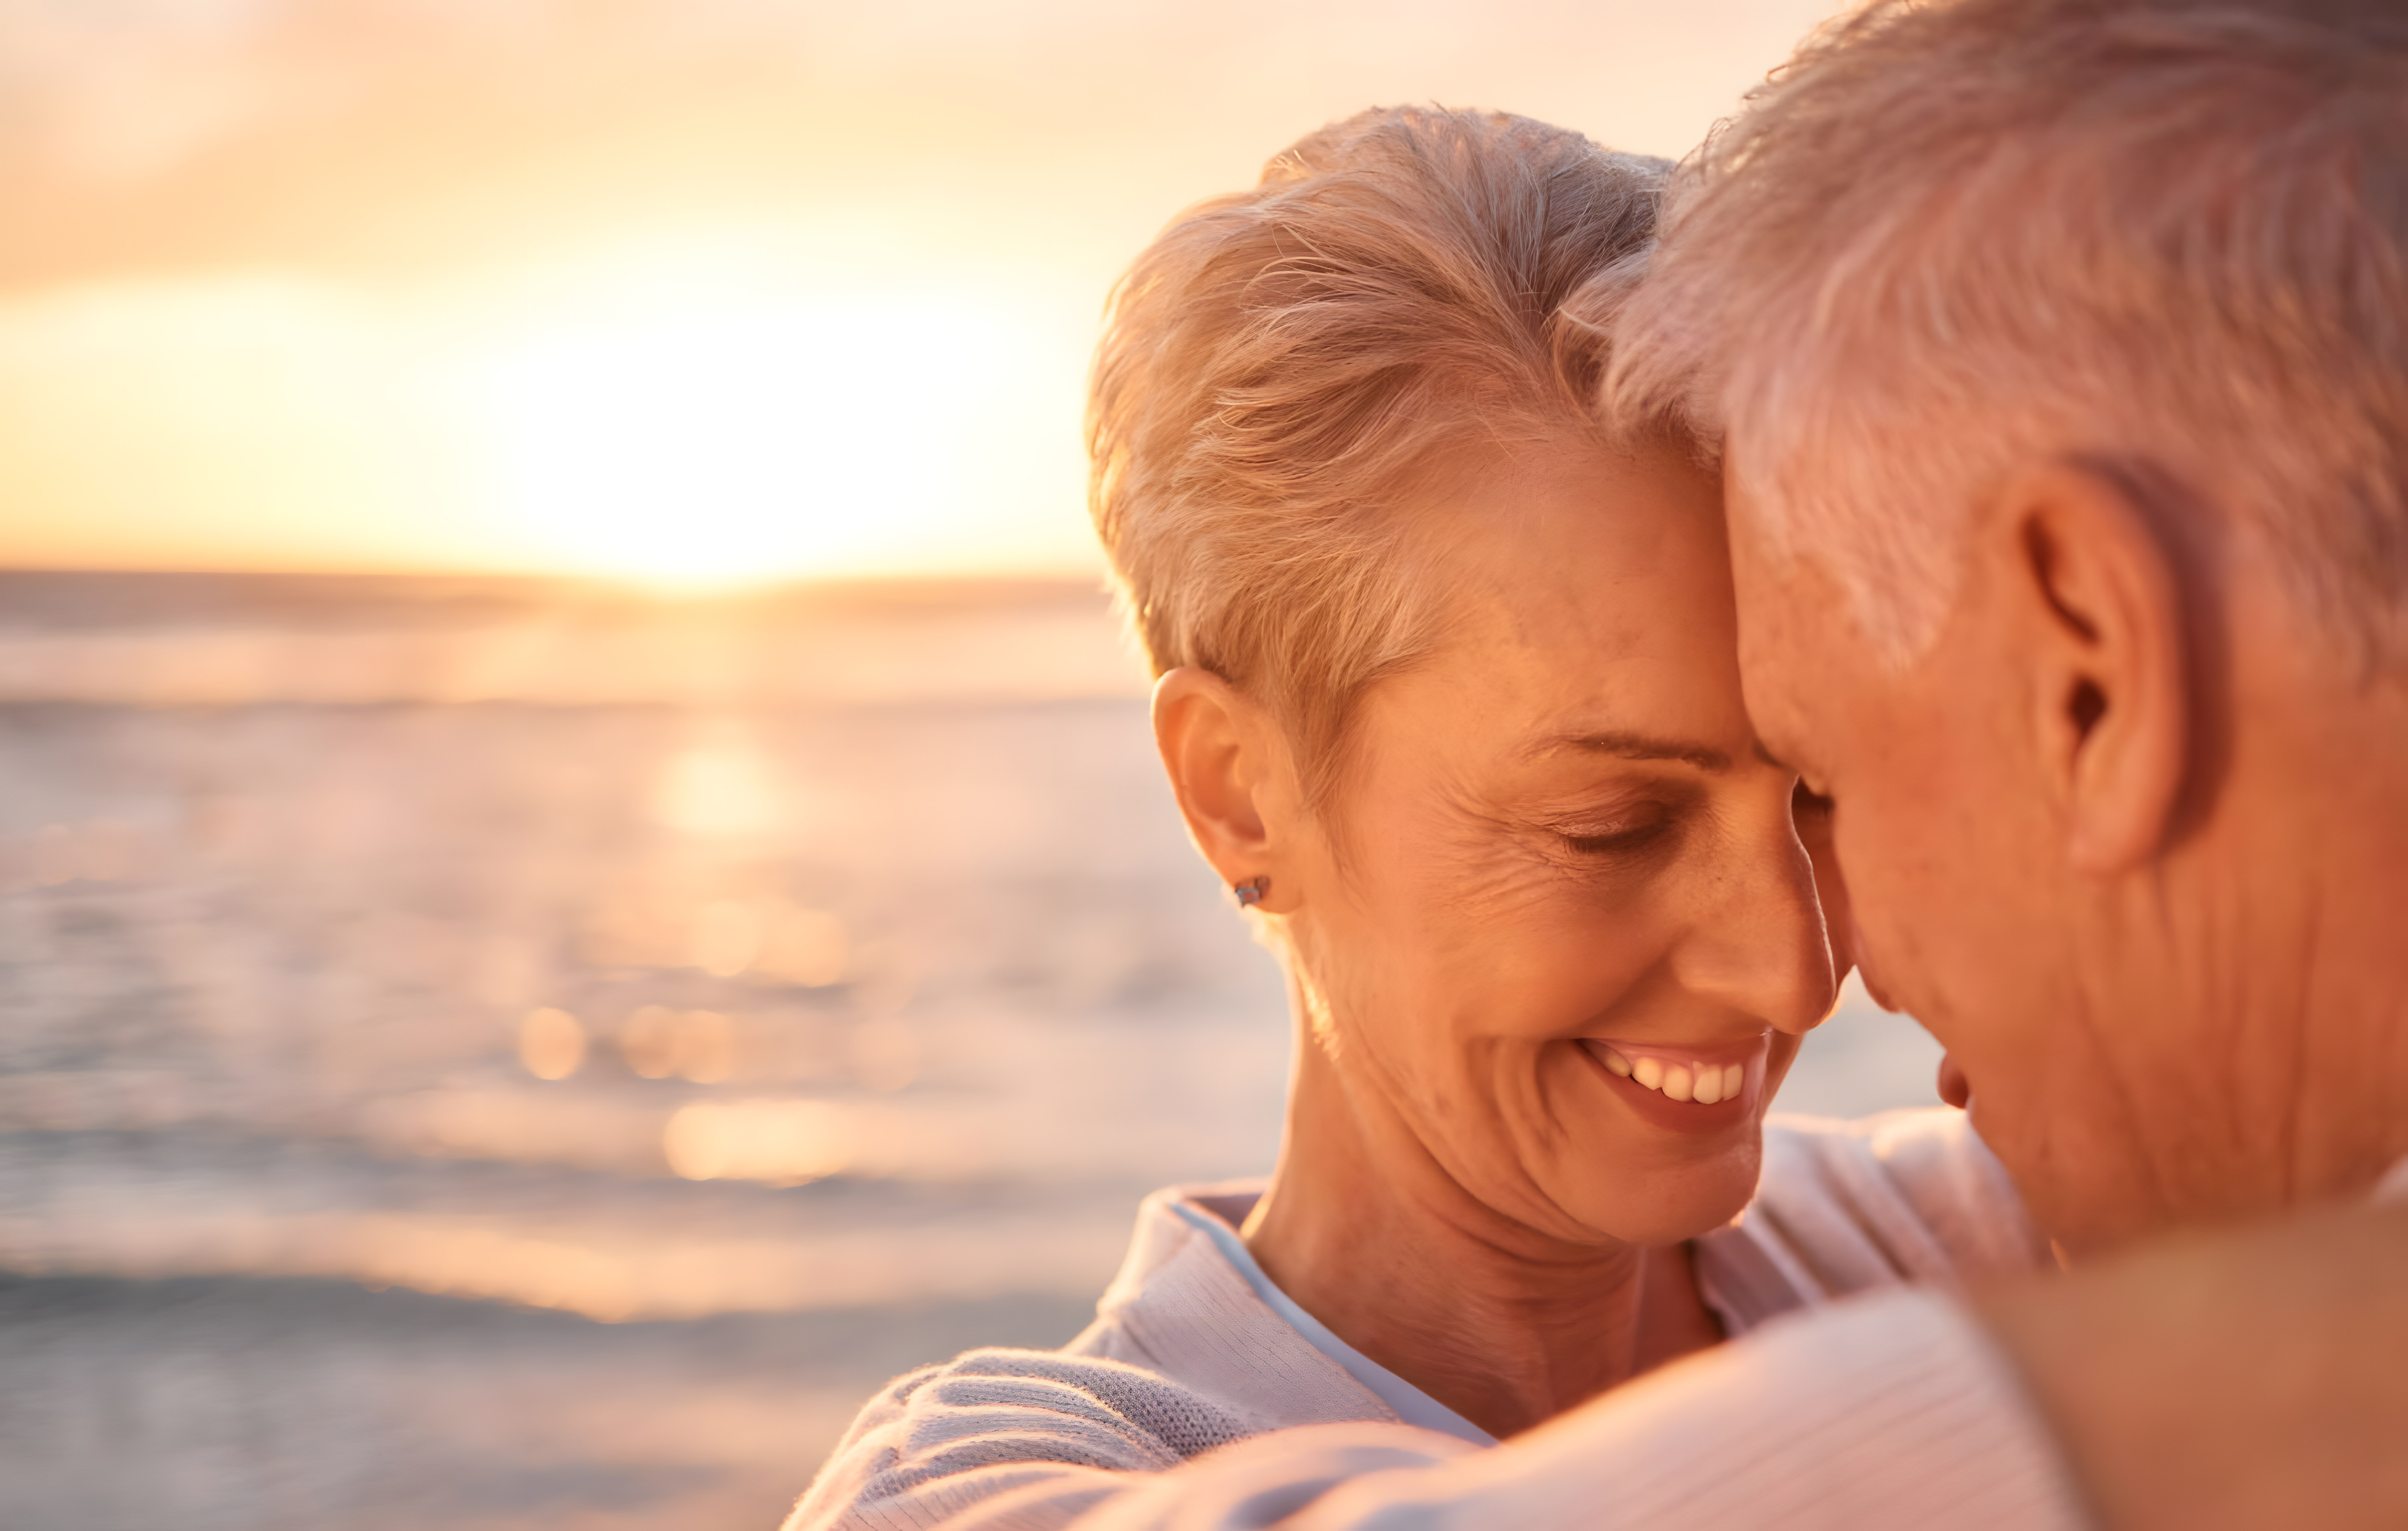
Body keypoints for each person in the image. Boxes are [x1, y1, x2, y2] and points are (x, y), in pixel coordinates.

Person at [783, 1, 2408, 1527]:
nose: (1794, 967)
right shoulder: (992, 1479)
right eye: (1612, 821)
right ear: (1235, 790)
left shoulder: (1985, 1231)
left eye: (1818, 791)